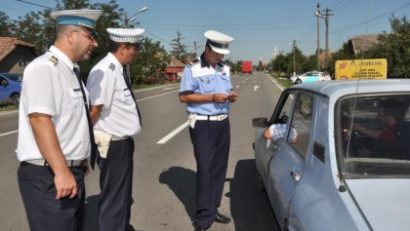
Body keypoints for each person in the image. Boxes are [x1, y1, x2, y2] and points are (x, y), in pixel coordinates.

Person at [16, 9, 102, 231]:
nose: (94, 44)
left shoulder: (69, 71)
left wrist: (79, 160)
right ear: (71, 35)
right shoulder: (45, 68)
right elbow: (39, 120)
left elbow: (71, 122)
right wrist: (62, 170)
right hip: (49, 175)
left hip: (68, 172)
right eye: (90, 36)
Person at [179, 30, 238, 231]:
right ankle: (204, 218)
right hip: (203, 124)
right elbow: (184, 97)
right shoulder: (192, 69)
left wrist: (231, 95)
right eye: (217, 53)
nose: (220, 57)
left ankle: (213, 208)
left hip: (223, 122)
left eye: (223, 54)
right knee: (205, 169)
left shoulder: (224, 69)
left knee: (219, 169)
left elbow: (225, 90)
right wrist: (211, 98)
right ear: (207, 49)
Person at [86, 28, 144, 231]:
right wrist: (86, 148)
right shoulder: (105, 71)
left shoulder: (117, 69)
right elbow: (94, 112)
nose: (137, 52)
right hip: (112, 144)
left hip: (122, 143)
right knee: (114, 199)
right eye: (135, 48)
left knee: (122, 196)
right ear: (123, 47)